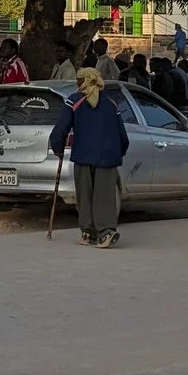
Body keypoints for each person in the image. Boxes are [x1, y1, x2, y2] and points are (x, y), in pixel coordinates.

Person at [50, 69, 130, 248]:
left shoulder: (74, 100)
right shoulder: (111, 103)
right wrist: (120, 151)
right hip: (108, 157)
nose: (76, 85)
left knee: (84, 195)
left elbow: (60, 129)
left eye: (78, 81)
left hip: (83, 156)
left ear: (82, 82)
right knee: (105, 196)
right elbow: (122, 135)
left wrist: (57, 147)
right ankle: (106, 231)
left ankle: (87, 232)